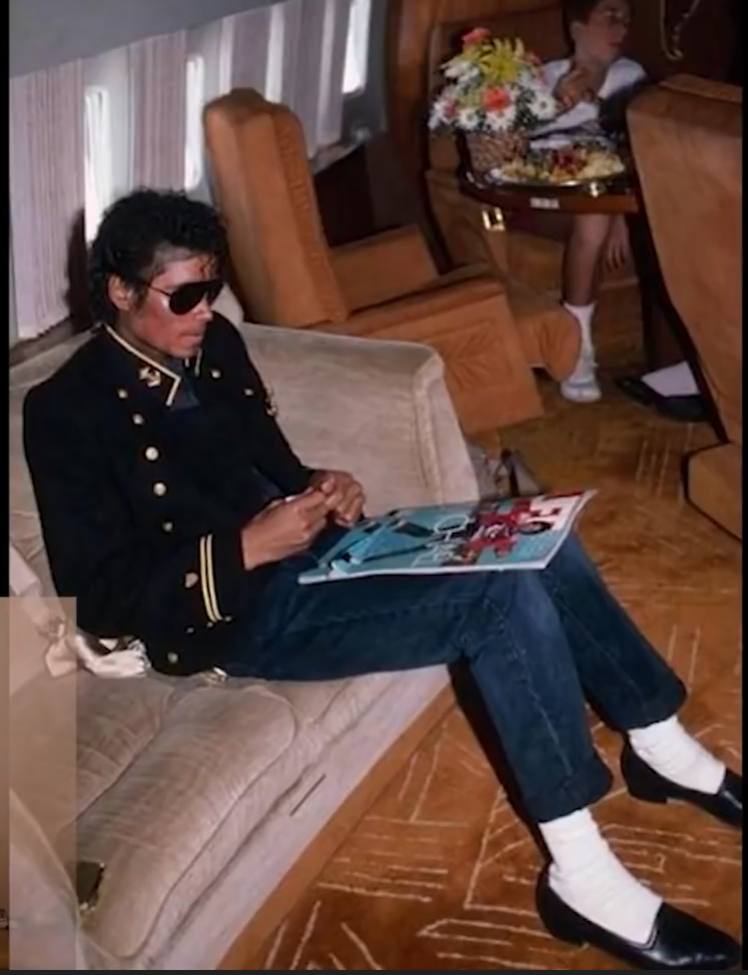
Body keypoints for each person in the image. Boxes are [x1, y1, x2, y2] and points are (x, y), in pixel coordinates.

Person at [24, 190, 741, 971]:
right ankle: (583, 878)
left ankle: (660, 744)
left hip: (316, 550)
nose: (205, 310)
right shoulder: (66, 409)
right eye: (184, 295)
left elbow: (265, 457)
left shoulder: (215, 341)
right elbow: (101, 596)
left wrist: (321, 484)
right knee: (496, 596)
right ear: (120, 291)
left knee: (534, 535)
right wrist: (244, 549)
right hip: (233, 616)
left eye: (212, 288)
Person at [540, 0, 647, 404]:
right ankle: (577, 348)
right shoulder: (545, 77)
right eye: (610, 17)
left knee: (598, 214)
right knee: (594, 213)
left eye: (626, 20)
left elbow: (635, 148)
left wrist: (622, 213)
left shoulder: (630, 76)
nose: (621, 28)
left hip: (605, 196)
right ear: (577, 27)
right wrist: (556, 106)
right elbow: (511, 142)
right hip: (545, 195)